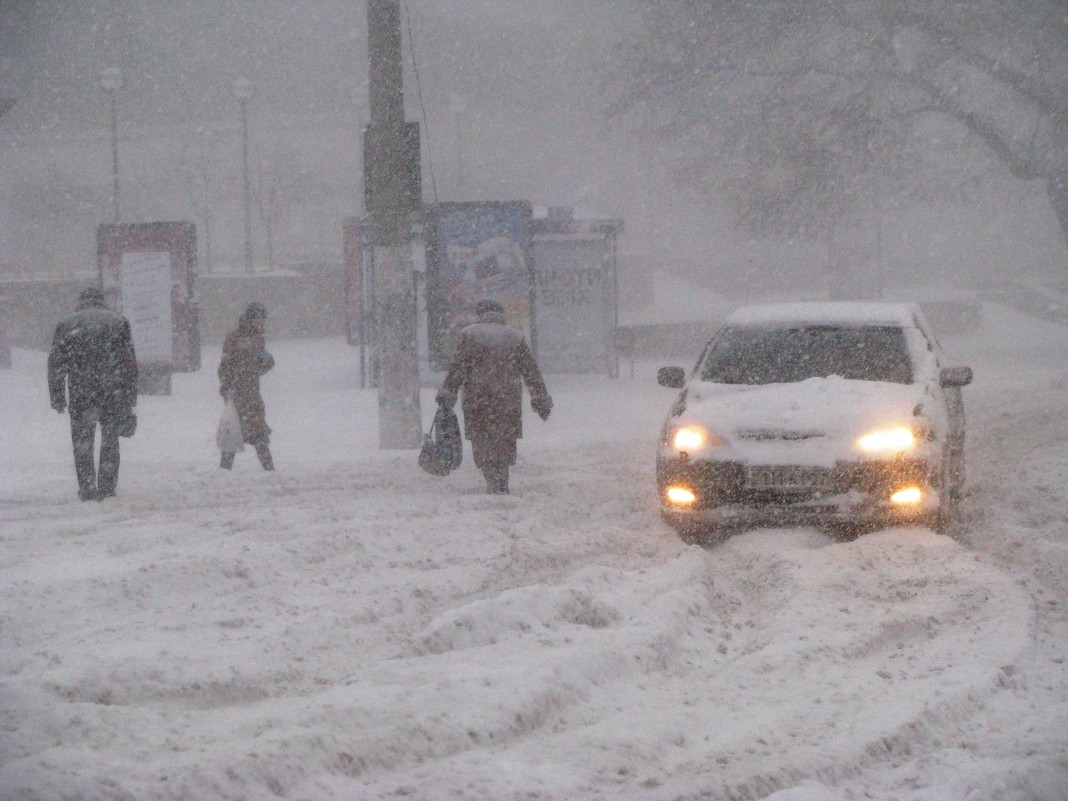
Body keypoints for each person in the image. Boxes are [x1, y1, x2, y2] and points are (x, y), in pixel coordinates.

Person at [436, 299, 552, 494]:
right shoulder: (515, 337)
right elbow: (531, 372)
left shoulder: (470, 334)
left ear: (479, 314)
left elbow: (458, 369)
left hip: (477, 399)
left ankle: (491, 477)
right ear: (500, 315)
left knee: (482, 440)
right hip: (507, 399)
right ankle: (502, 478)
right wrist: (540, 399)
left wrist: (448, 394)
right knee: (505, 439)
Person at [47, 286, 138, 501]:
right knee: (110, 439)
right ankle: (107, 486)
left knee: (82, 442)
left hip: (81, 391)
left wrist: (58, 396)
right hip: (112, 391)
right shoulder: (118, 322)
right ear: (101, 301)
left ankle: (87, 487)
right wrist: (129, 395)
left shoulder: (67, 324)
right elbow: (129, 363)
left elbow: (56, 364)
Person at [218, 302, 275, 470]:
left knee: (258, 433)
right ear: (251, 318)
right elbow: (225, 366)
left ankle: (269, 469)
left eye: (262, 319)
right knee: (234, 433)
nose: (261, 322)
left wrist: (267, 363)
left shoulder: (258, 339)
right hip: (237, 394)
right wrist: (227, 388)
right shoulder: (234, 338)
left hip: (253, 394)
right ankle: (225, 471)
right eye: (258, 318)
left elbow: (257, 368)